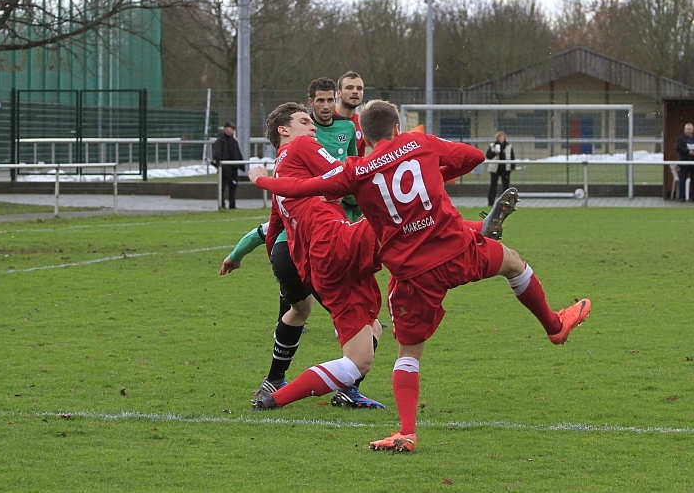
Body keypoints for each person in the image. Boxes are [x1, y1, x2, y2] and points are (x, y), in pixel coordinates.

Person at [249, 100, 591, 453]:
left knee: (368, 358)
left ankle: (279, 400)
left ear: (363, 135)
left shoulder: (344, 169)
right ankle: (544, 313)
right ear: (397, 128)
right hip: (398, 246)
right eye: (304, 121)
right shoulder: (401, 145)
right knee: (510, 262)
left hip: (344, 269)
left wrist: (262, 184)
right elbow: (473, 157)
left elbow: (293, 204)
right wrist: (424, 169)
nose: (312, 127)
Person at [247, 102, 386, 412]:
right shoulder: (302, 147)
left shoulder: (282, 176)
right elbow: (344, 175)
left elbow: (274, 228)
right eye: (304, 121)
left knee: (361, 327)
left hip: (311, 262)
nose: (312, 127)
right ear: (284, 130)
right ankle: (472, 234)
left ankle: (278, 382)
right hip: (333, 245)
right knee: (403, 227)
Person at [309, 77, 361, 221]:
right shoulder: (305, 128)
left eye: (330, 100)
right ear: (311, 102)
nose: (326, 106)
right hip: (315, 195)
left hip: (344, 195)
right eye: (320, 100)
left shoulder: (348, 127)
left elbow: (353, 161)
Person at [212, 122, 244, 209]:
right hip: (225, 168)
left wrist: (241, 164)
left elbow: (237, 153)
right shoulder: (220, 140)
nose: (233, 130)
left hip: (233, 168)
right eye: (232, 128)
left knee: (233, 187)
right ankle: (222, 204)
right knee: (222, 187)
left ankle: (232, 205)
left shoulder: (233, 141)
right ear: (226, 128)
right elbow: (217, 153)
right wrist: (219, 164)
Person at [335, 71, 366, 156]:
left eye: (359, 88)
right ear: (339, 93)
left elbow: (359, 158)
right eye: (349, 88)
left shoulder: (363, 123)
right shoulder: (325, 118)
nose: (355, 92)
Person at [485, 131, 516, 206]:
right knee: (493, 186)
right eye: (500, 137)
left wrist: (512, 167)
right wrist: (494, 153)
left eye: (502, 137)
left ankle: (506, 202)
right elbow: (488, 156)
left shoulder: (509, 146)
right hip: (495, 169)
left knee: (506, 187)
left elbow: (512, 156)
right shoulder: (492, 145)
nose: (501, 138)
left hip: (505, 169)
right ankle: (490, 203)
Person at [674, 123, 694, 202]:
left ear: (693, 130)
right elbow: (678, 148)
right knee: (682, 179)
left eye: (689, 129)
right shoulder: (680, 139)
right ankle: (682, 197)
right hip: (684, 162)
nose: (688, 131)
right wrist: (688, 152)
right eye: (686, 129)